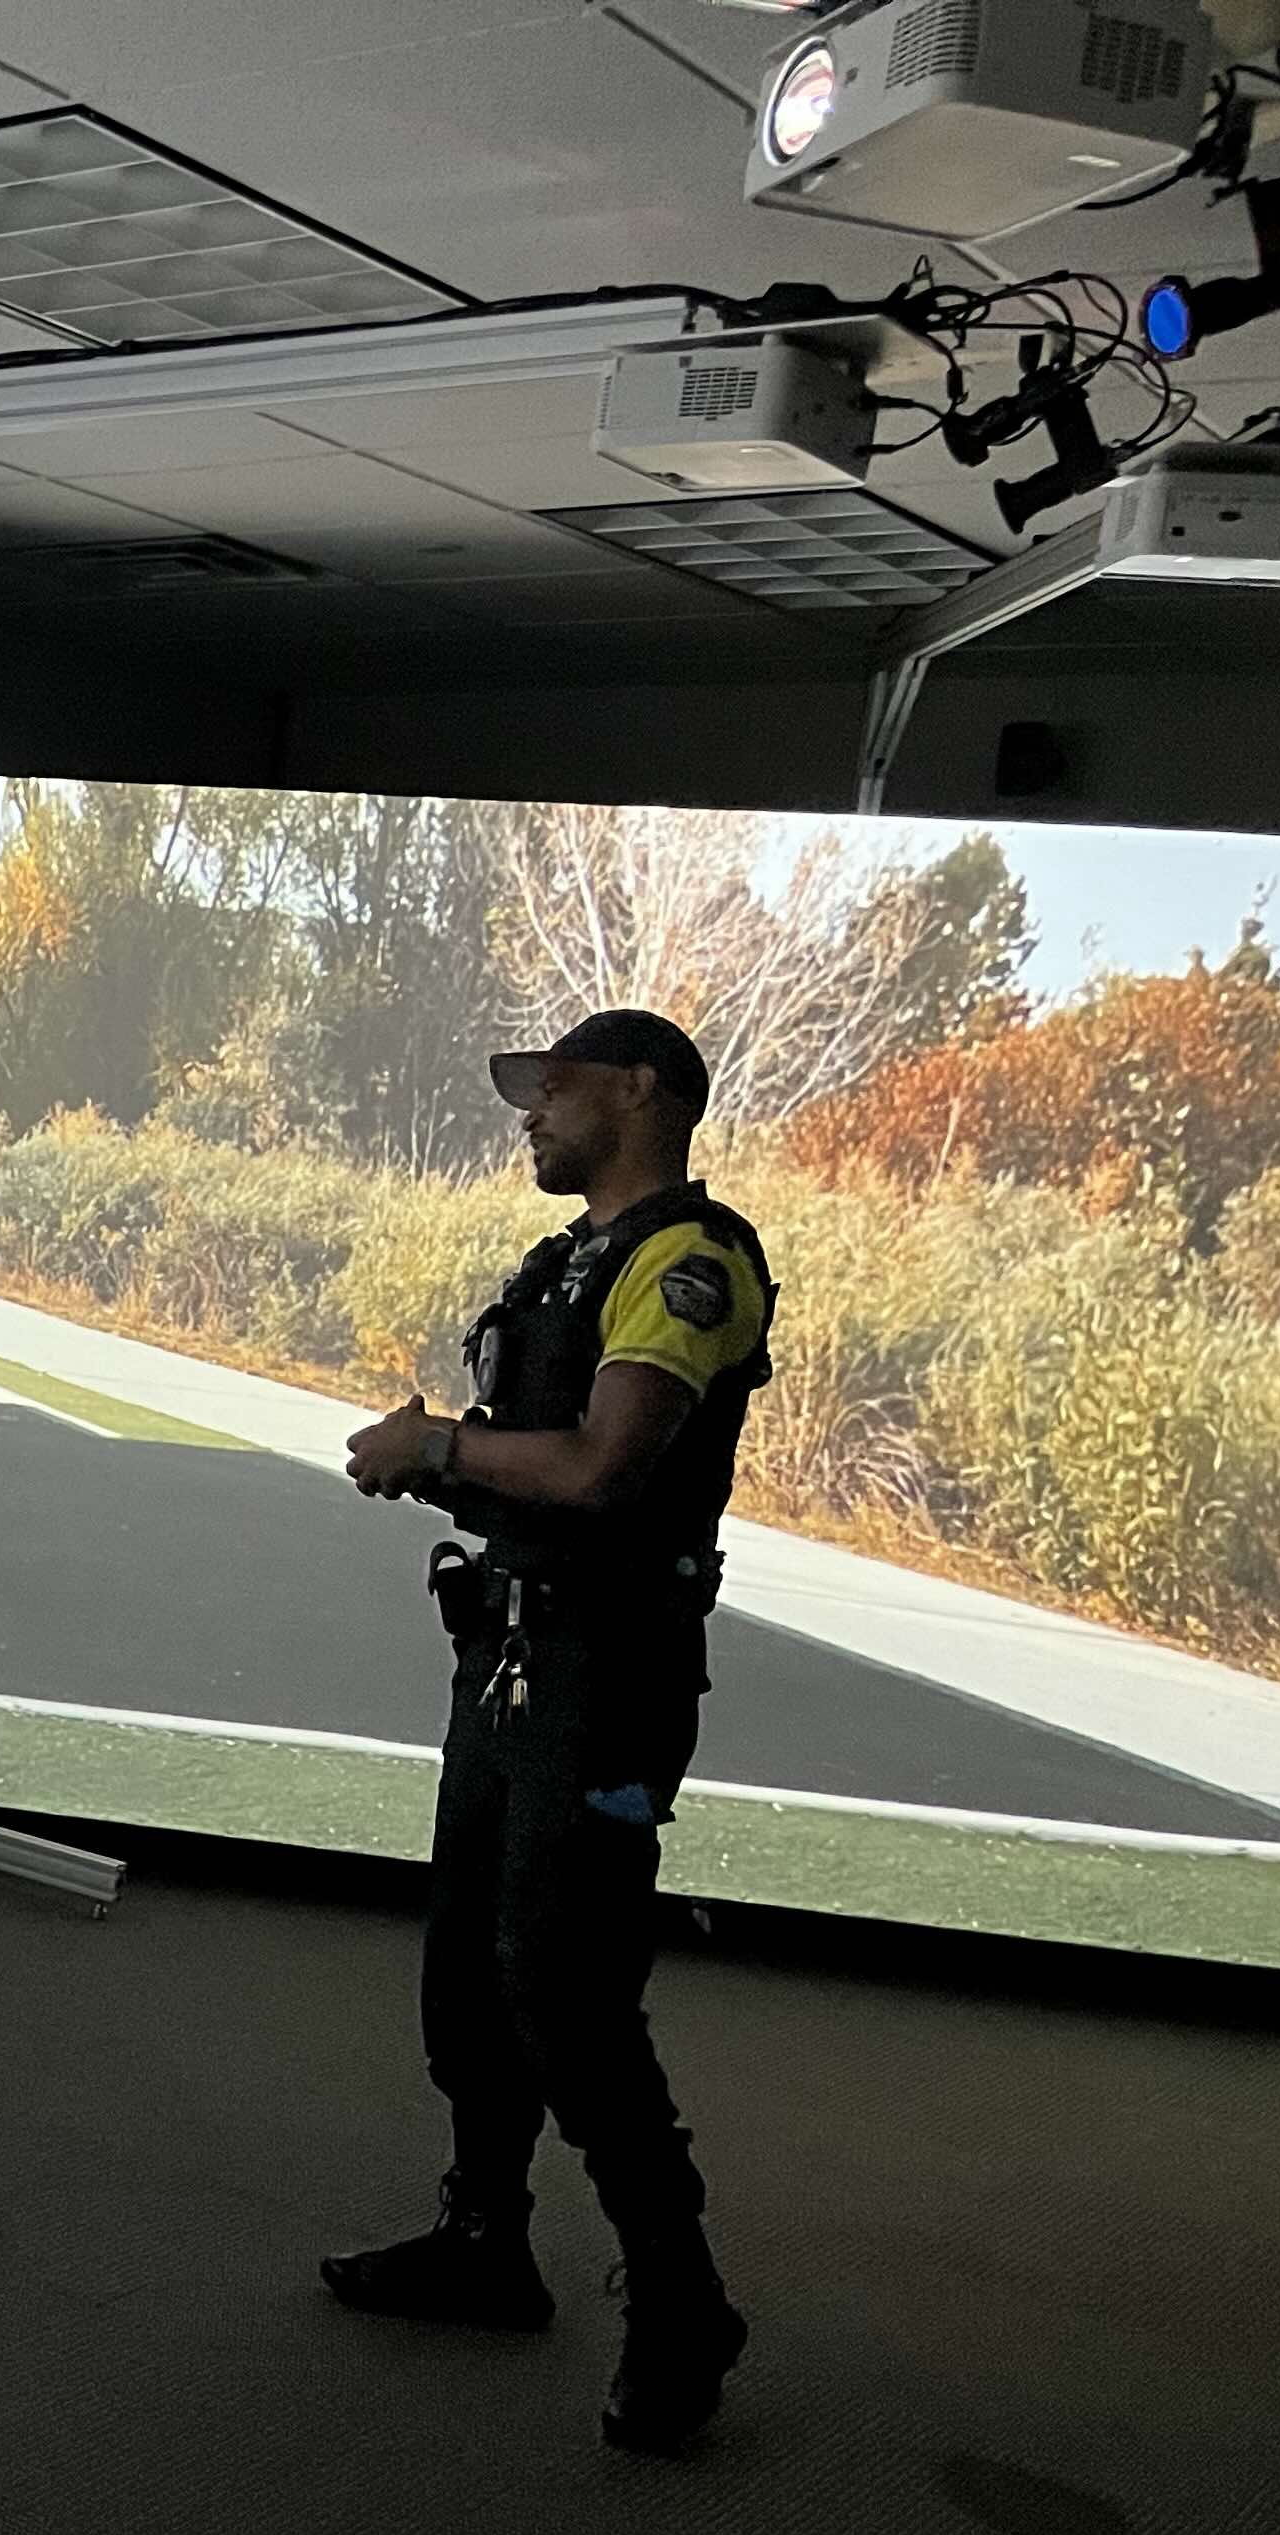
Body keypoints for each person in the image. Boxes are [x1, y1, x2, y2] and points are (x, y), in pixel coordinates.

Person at [334, 1008, 776, 2453]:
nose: (530, 1112)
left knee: (571, 2000)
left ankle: (681, 2307)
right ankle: (486, 2242)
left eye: (555, 1087)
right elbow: (545, 1480)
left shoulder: (687, 1267)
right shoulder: (567, 1266)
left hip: (607, 1690)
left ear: (641, 1092)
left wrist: (442, 1447)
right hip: (514, 1669)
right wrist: (447, 1474)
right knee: (470, 1977)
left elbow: (602, 1467)